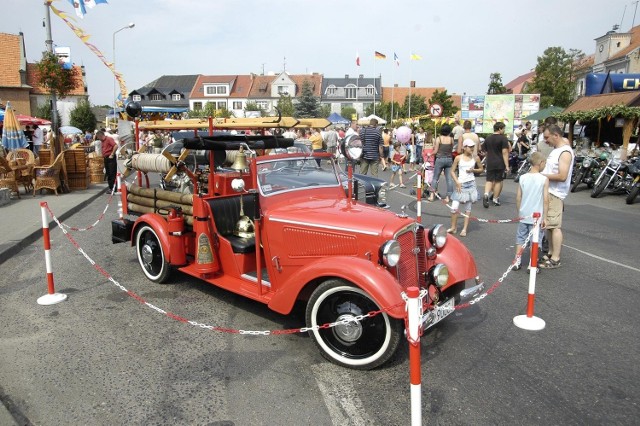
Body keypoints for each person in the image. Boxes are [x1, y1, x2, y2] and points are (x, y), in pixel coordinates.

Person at [539, 124, 574, 269]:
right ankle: (551, 253)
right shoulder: (557, 149)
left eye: (547, 137)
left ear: (556, 135)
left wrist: (541, 176)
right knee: (549, 225)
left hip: (555, 193)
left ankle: (556, 258)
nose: (546, 141)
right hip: (549, 191)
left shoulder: (564, 152)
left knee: (555, 226)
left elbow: (562, 175)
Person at [513, 151, 549, 271]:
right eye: (545, 163)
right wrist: (545, 217)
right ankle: (531, 264)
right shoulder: (544, 179)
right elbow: (545, 199)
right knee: (535, 240)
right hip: (536, 217)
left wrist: (520, 211)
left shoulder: (523, 177)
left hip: (524, 214)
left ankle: (517, 261)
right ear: (540, 163)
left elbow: (518, 197)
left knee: (521, 238)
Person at [448, 139, 483, 236]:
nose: (472, 148)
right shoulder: (458, 158)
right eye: (470, 146)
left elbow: (481, 169)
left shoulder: (475, 157)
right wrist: (457, 182)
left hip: (471, 184)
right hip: (461, 184)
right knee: (454, 207)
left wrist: (473, 170)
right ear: (464, 147)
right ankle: (453, 227)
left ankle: (464, 229)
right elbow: (452, 171)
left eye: (473, 146)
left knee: (468, 208)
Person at [482, 122, 510, 207]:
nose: (504, 130)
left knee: (489, 179)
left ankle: (486, 194)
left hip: (490, 161)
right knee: (498, 180)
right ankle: (495, 199)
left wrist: (489, 157)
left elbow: (484, 151)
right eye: (503, 129)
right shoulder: (503, 138)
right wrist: (507, 165)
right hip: (499, 162)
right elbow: (505, 152)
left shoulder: (488, 138)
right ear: (500, 129)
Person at [429, 124, 455, 203]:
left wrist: (430, 154)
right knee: (449, 179)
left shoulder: (438, 139)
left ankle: (432, 195)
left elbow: (436, 151)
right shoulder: (451, 139)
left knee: (435, 178)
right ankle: (448, 197)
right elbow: (452, 150)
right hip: (449, 159)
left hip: (440, 159)